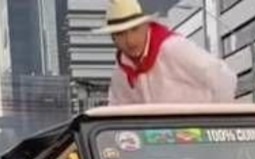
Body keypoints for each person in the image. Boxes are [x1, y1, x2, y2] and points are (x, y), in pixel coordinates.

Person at [95, 0, 236, 105]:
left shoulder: (174, 48)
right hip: (158, 140)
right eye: (120, 34)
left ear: (147, 25)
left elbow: (223, 77)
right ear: (113, 38)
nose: (130, 41)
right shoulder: (121, 73)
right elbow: (117, 112)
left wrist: (214, 124)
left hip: (198, 136)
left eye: (135, 29)